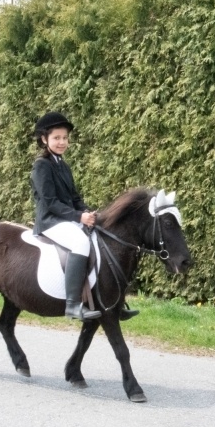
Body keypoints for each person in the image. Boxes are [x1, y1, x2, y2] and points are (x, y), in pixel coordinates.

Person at [30, 112, 139, 322]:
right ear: (45, 139)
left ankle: (113, 300)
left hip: (66, 219)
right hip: (50, 222)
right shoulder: (41, 166)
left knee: (100, 237)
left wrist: (89, 213)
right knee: (80, 242)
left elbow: (74, 198)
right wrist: (79, 217)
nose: (62, 142)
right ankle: (72, 304)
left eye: (64, 138)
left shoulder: (63, 165)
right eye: (57, 138)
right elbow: (50, 202)